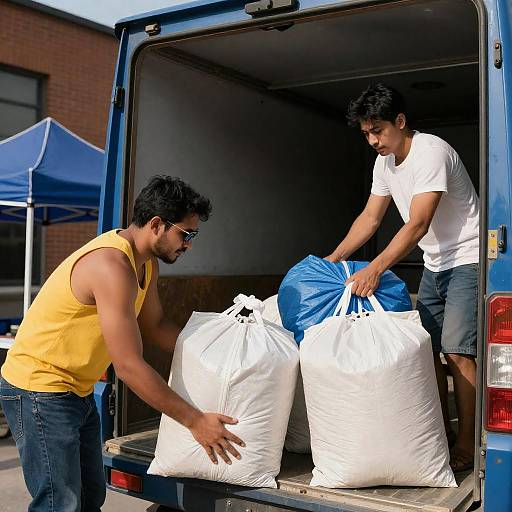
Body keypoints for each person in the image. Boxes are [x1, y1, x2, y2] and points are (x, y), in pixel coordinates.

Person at [0, 175, 245, 511]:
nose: (188, 244)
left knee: (88, 499)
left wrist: (218, 351)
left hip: (75, 390)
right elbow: (129, 366)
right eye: (186, 234)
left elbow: (156, 326)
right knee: (60, 504)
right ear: (157, 224)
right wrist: (195, 420)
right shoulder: (111, 266)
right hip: (39, 389)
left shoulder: (146, 265)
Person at [325, 83, 479, 472]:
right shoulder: (384, 163)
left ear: (401, 121)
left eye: (378, 130)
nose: (373, 140)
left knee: (457, 350)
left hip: (468, 258)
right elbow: (370, 218)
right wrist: (334, 258)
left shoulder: (431, 152)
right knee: (423, 349)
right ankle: (438, 436)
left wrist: (375, 268)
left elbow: (418, 223)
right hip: (434, 263)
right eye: (366, 134)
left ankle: (467, 442)